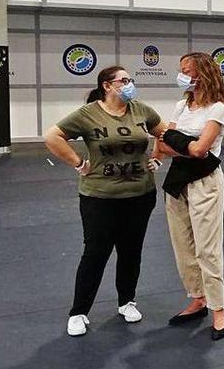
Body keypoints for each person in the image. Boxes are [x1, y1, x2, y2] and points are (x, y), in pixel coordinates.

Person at [44, 66, 167, 337]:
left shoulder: (141, 110)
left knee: (131, 250)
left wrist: (157, 157)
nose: (129, 84)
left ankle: (126, 301)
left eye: (130, 80)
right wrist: (78, 162)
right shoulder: (88, 114)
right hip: (99, 197)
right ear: (107, 86)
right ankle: (78, 312)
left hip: (140, 194)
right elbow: (52, 137)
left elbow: (165, 133)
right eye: (123, 80)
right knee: (95, 253)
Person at [152, 52, 224, 340]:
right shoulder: (180, 105)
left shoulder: (218, 108)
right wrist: (182, 144)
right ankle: (198, 299)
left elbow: (202, 151)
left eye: (187, 70)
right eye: (181, 70)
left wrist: (174, 141)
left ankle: (218, 310)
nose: (182, 75)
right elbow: (161, 146)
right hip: (178, 181)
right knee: (183, 246)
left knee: (207, 249)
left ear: (203, 73)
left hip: (205, 181)